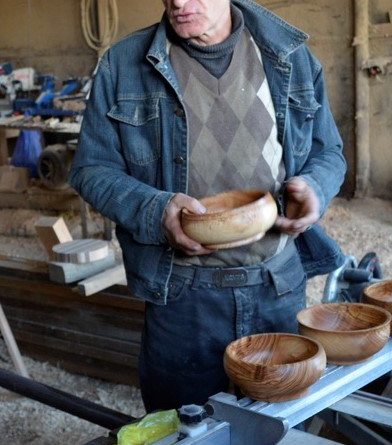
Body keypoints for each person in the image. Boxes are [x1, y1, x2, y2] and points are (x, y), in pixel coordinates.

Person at [69, 0, 346, 412]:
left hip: (277, 288)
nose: (179, 2)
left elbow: (330, 153)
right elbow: (91, 169)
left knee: (280, 426)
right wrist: (156, 210)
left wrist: (315, 187)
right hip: (184, 298)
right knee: (185, 430)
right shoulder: (122, 66)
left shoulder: (288, 55)